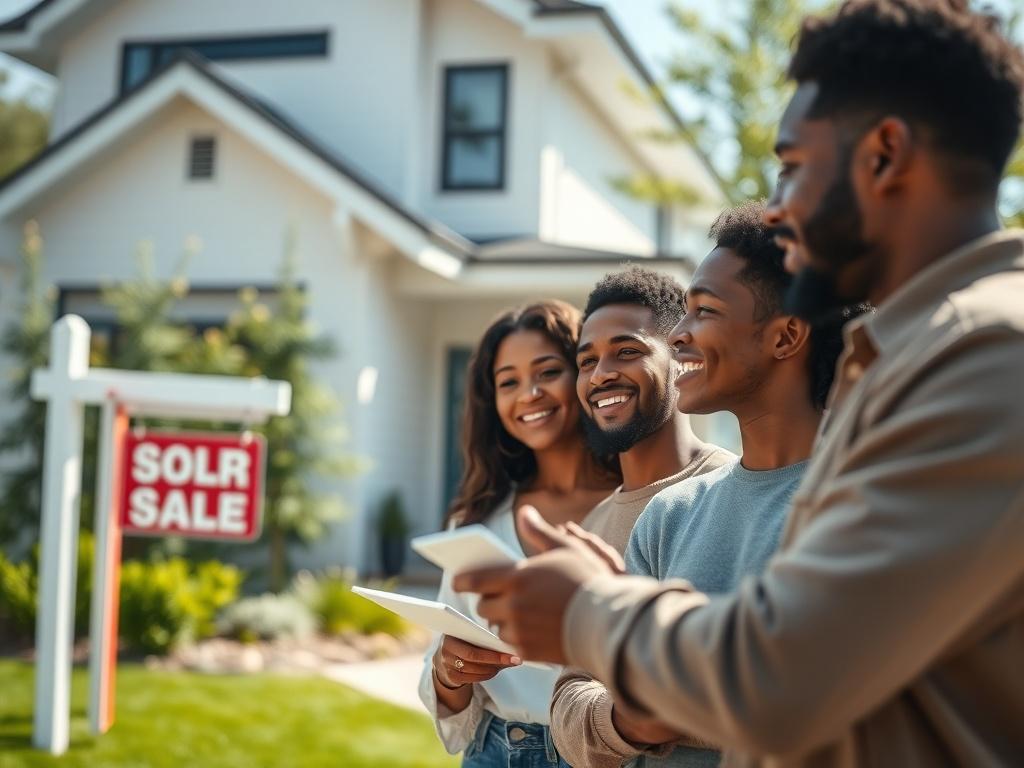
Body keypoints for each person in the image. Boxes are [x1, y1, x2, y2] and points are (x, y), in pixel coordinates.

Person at [455, 1, 1024, 764]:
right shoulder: (920, 356)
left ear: (884, 154)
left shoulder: (985, 356)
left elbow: (782, 677)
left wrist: (590, 607)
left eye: (793, 166)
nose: (779, 208)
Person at [551, 201, 867, 768]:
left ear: (786, 335)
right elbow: (572, 706)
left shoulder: (858, 508)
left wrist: (645, 677)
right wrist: (641, 714)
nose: (677, 336)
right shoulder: (672, 513)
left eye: (704, 311)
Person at [417, 299, 619, 767]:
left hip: (599, 754)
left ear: (583, 374)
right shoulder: (478, 518)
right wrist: (450, 673)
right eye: (508, 382)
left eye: (548, 372)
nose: (528, 393)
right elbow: (445, 692)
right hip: (494, 750)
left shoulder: (643, 505)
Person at [571, 265, 735, 555]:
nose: (599, 375)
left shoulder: (735, 489)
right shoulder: (590, 530)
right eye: (587, 362)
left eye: (627, 352)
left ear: (680, 358)